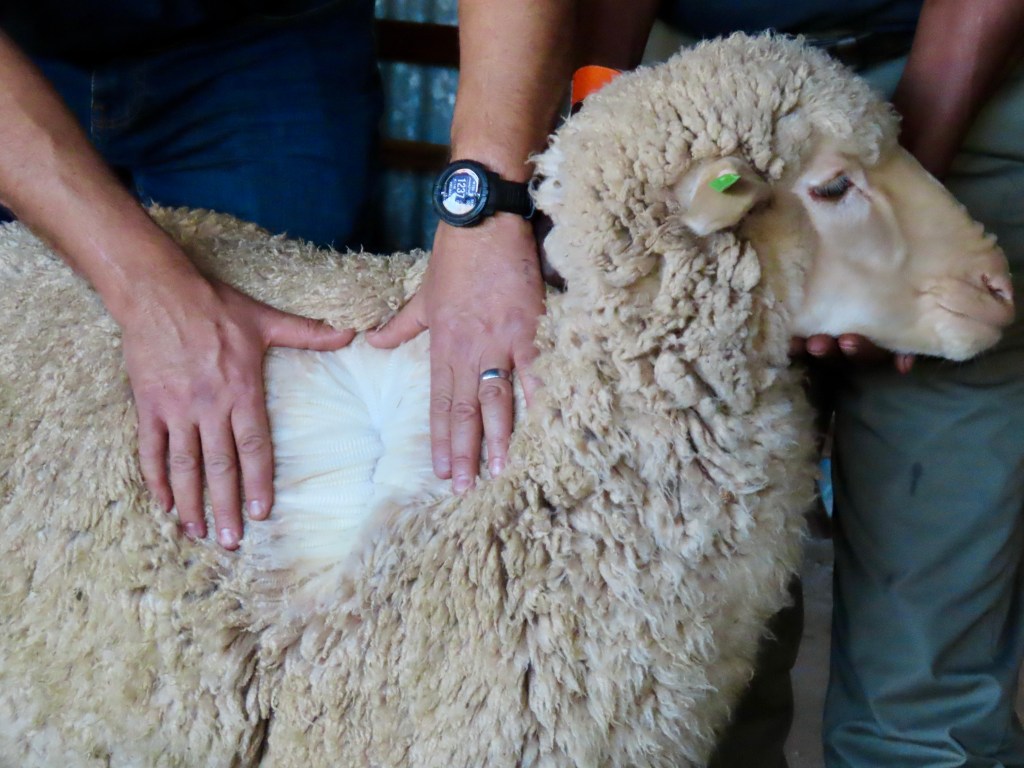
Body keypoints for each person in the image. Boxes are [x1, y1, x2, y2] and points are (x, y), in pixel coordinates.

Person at [372, 0, 1024, 765]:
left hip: (954, 77)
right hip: (697, 99)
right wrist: (593, 135)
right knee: (681, 644)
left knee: (927, 670)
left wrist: (882, 238)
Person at [0, 1, 382, 550]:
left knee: (283, 427)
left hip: (265, 39)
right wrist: (153, 292)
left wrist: (490, 197)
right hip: (22, 56)